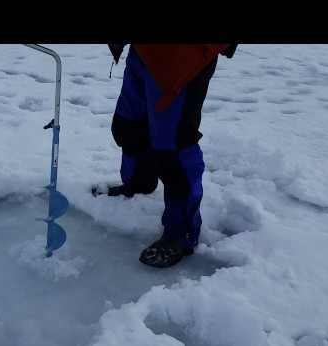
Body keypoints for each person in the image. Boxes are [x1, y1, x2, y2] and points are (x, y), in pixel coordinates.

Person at [98, 44, 238, 268]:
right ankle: (139, 182)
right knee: (129, 126)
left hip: (182, 56)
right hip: (144, 50)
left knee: (172, 151)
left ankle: (180, 235)